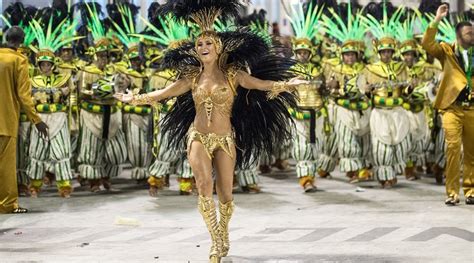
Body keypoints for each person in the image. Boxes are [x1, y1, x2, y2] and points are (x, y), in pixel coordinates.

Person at [115, 1, 302, 261]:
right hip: (198, 137)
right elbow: (162, 93)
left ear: (218, 48)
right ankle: (215, 241)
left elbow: (260, 84)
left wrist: (287, 84)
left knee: (225, 194)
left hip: (226, 139)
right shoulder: (192, 78)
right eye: (199, 44)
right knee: (203, 185)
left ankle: (223, 233)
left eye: (209, 44)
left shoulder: (233, 75)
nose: (203, 48)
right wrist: (133, 98)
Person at [422, 4, 474, 205]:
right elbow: (427, 43)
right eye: (469, 33)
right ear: (459, 36)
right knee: (452, 147)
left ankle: (470, 190)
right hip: (452, 107)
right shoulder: (446, 50)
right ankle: (452, 192)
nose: (472, 35)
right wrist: (436, 20)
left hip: (472, 108)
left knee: (471, 151)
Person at [0, 26, 48, 213]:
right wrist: (37, 120)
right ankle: (8, 205)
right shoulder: (19, 61)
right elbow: (24, 96)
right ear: (21, 41)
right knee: (6, 166)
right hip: (5, 121)